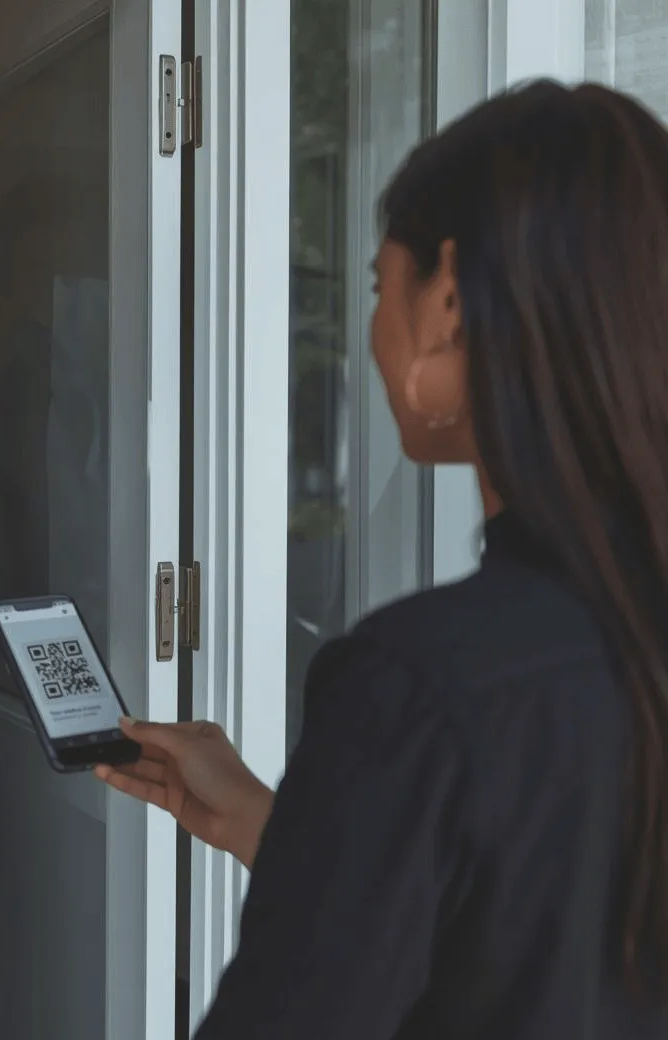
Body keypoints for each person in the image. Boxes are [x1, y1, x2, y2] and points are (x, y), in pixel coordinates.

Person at [98, 80, 668, 1039]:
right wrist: (288, 828)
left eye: (377, 285)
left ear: (446, 300)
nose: (372, 324)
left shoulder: (422, 682)